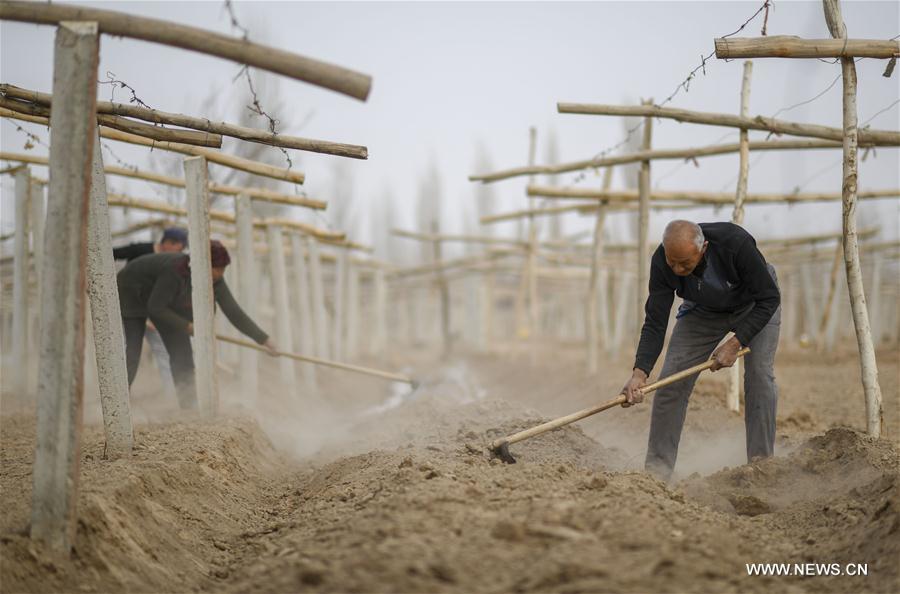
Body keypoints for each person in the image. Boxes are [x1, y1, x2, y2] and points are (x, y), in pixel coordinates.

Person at [621, 220, 781, 481]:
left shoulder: (735, 243)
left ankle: (761, 465)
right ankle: (656, 474)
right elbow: (656, 320)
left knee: (760, 376)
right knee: (671, 382)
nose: (677, 269)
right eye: (672, 262)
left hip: (755, 304)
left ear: (703, 247)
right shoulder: (662, 261)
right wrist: (640, 372)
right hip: (703, 310)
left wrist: (735, 342)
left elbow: (769, 298)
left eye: (685, 263)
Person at [117, 240, 277, 409]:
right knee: (133, 350)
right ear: (205, 265)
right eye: (219, 269)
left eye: (223, 269)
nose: (221, 274)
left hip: (162, 300)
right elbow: (155, 308)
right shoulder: (175, 271)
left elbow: (234, 312)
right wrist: (187, 326)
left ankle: (188, 405)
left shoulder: (216, 280)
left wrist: (264, 340)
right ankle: (118, 403)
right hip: (133, 291)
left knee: (182, 354)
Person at [113, 226, 189, 400]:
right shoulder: (139, 250)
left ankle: (174, 395)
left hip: (155, 310)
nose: (181, 252)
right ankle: (120, 397)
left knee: (162, 349)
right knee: (131, 350)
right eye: (180, 247)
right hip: (130, 307)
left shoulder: (172, 265)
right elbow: (106, 253)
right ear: (168, 243)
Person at [113, 226, 188, 262]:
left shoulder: (169, 261)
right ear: (167, 242)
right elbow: (113, 254)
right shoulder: (139, 249)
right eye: (179, 249)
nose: (179, 253)